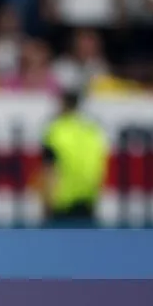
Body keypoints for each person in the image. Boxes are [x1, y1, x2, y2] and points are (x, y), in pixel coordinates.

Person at [37, 89, 108, 223]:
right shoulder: (92, 131)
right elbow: (99, 166)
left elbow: (50, 170)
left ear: (62, 104)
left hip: (61, 204)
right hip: (88, 201)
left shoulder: (55, 131)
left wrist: (46, 205)